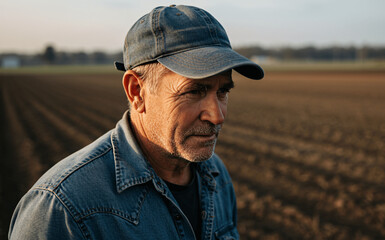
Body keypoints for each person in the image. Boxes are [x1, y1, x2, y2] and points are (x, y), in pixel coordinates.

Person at [8, 5, 263, 240]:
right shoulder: (63, 209)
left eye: (223, 92)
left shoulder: (216, 177)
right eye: (194, 91)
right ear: (136, 92)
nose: (217, 115)